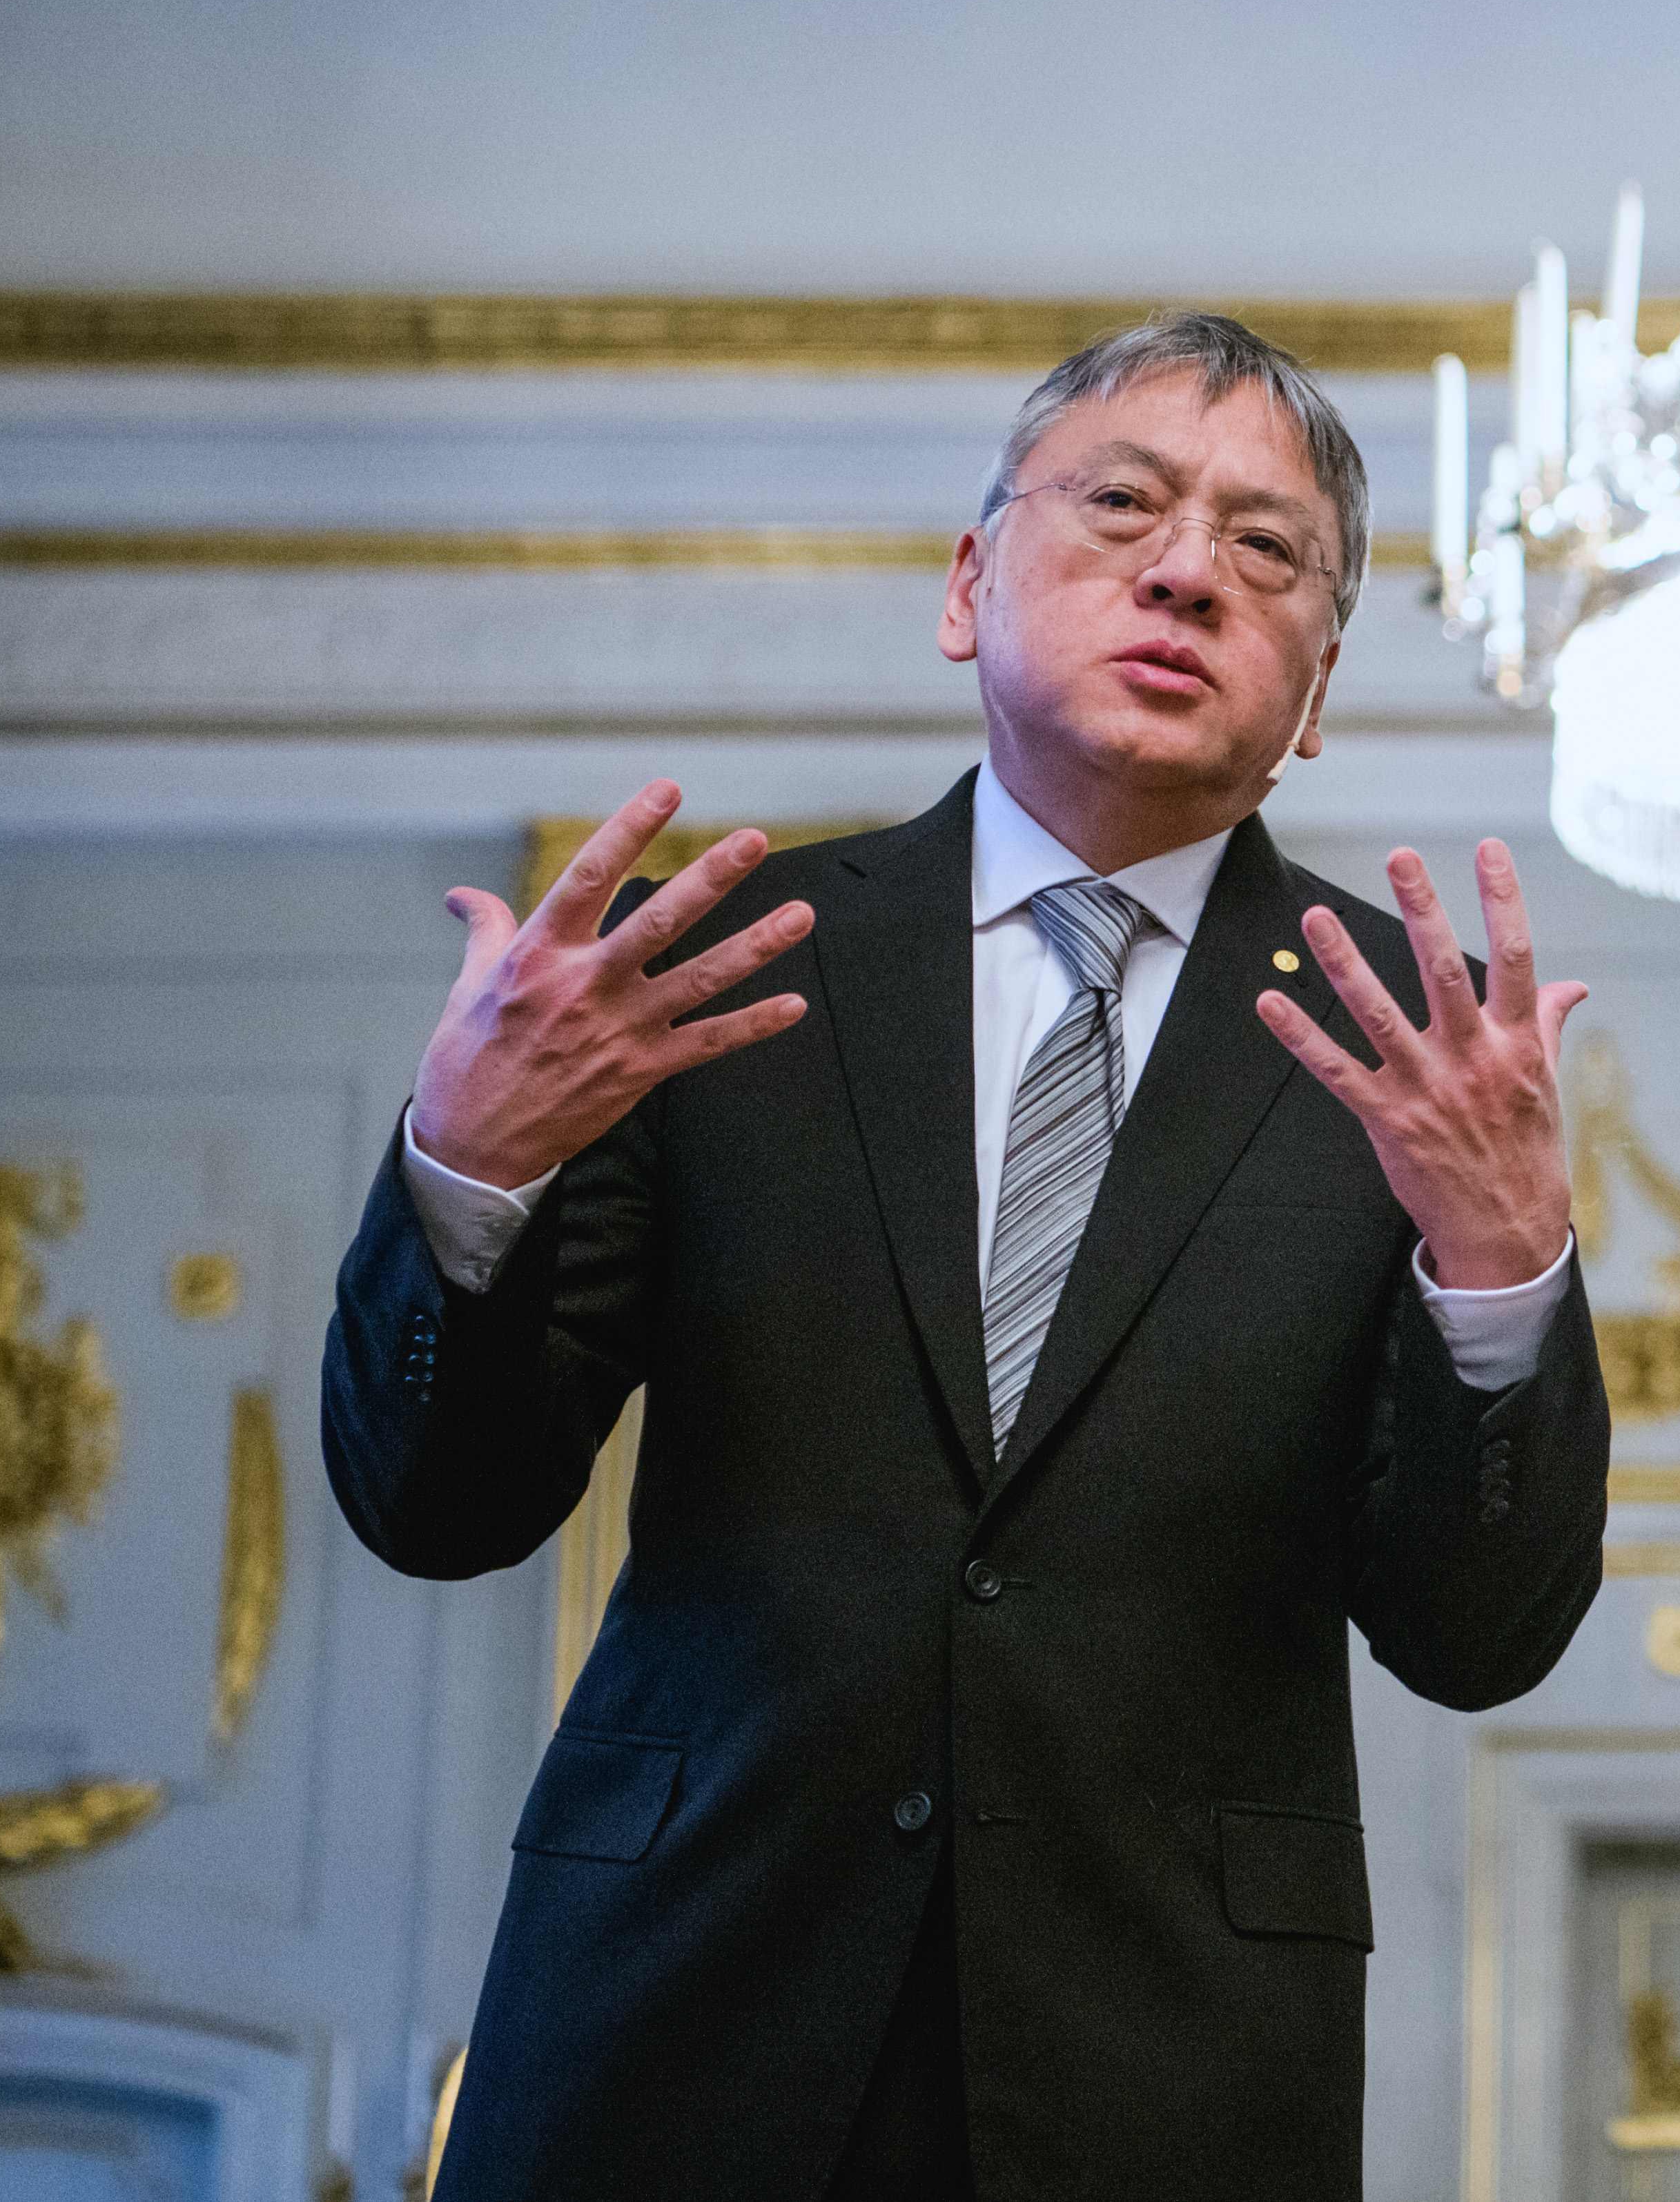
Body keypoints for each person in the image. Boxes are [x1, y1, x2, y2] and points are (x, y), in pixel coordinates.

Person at [325, 313, 1610, 2201]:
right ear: (966, 585)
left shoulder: (1407, 1052)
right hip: (679, 2023)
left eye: (1268, 553)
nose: (1188, 569)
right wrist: (469, 1167)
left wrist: (1501, 1275)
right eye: (1124, 507)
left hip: (1172, 2069)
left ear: (1318, 687)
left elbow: (1476, 1637)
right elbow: (440, 1505)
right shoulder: (715, 967)